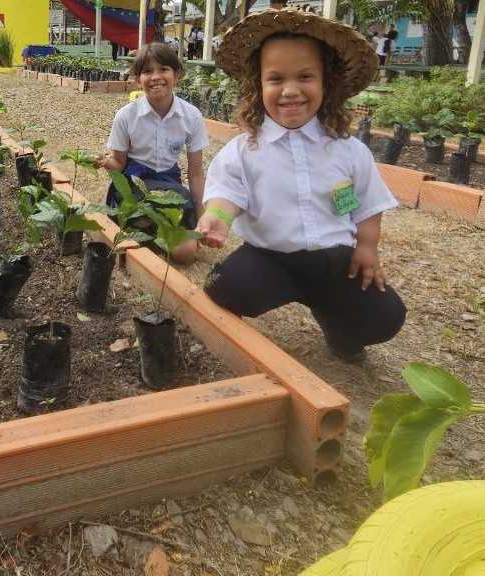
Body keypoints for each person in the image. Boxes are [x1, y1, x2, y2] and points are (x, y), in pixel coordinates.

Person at [195, 8, 406, 361]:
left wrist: (368, 248)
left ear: (327, 82)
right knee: (225, 287)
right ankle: (280, 290)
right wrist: (217, 217)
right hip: (271, 258)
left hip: (336, 262)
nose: (290, 90)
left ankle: (337, 325)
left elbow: (368, 205)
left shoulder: (349, 151)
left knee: (385, 318)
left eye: (305, 76)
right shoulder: (245, 150)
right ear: (257, 85)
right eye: (275, 79)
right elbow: (227, 193)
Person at [97, 42, 208, 264]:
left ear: (176, 75)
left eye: (164, 69)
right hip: (134, 183)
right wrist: (105, 162)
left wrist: (201, 214)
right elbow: (119, 163)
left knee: (185, 254)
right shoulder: (126, 116)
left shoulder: (191, 116)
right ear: (138, 79)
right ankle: (140, 224)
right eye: (147, 71)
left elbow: (195, 174)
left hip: (168, 183)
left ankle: (147, 228)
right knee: (121, 237)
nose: (156, 77)